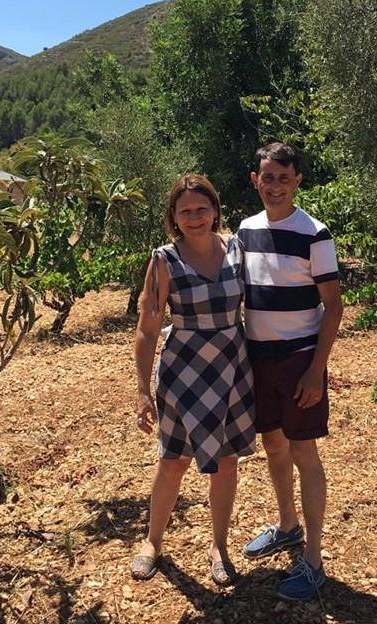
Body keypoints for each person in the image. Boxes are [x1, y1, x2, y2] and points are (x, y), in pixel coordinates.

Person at [131, 173, 255, 587]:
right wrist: (142, 391)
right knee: (173, 461)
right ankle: (152, 542)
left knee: (227, 461)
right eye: (185, 211)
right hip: (183, 370)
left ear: (215, 210)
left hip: (232, 366)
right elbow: (148, 328)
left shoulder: (237, 249)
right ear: (174, 216)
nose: (195, 217)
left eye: (202, 208)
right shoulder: (164, 261)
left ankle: (219, 547)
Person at [237, 142, 343, 601]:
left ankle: (314, 561)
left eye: (284, 177)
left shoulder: (314, 234)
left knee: (304, 453)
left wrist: (316, 370)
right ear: (255, 180)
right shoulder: (245, 230)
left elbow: (333, 306)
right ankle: (287, 527)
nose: (275, 185)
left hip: (300, 360)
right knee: (273, 445)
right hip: (258, 359)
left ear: (297, 181)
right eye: (268, 177)